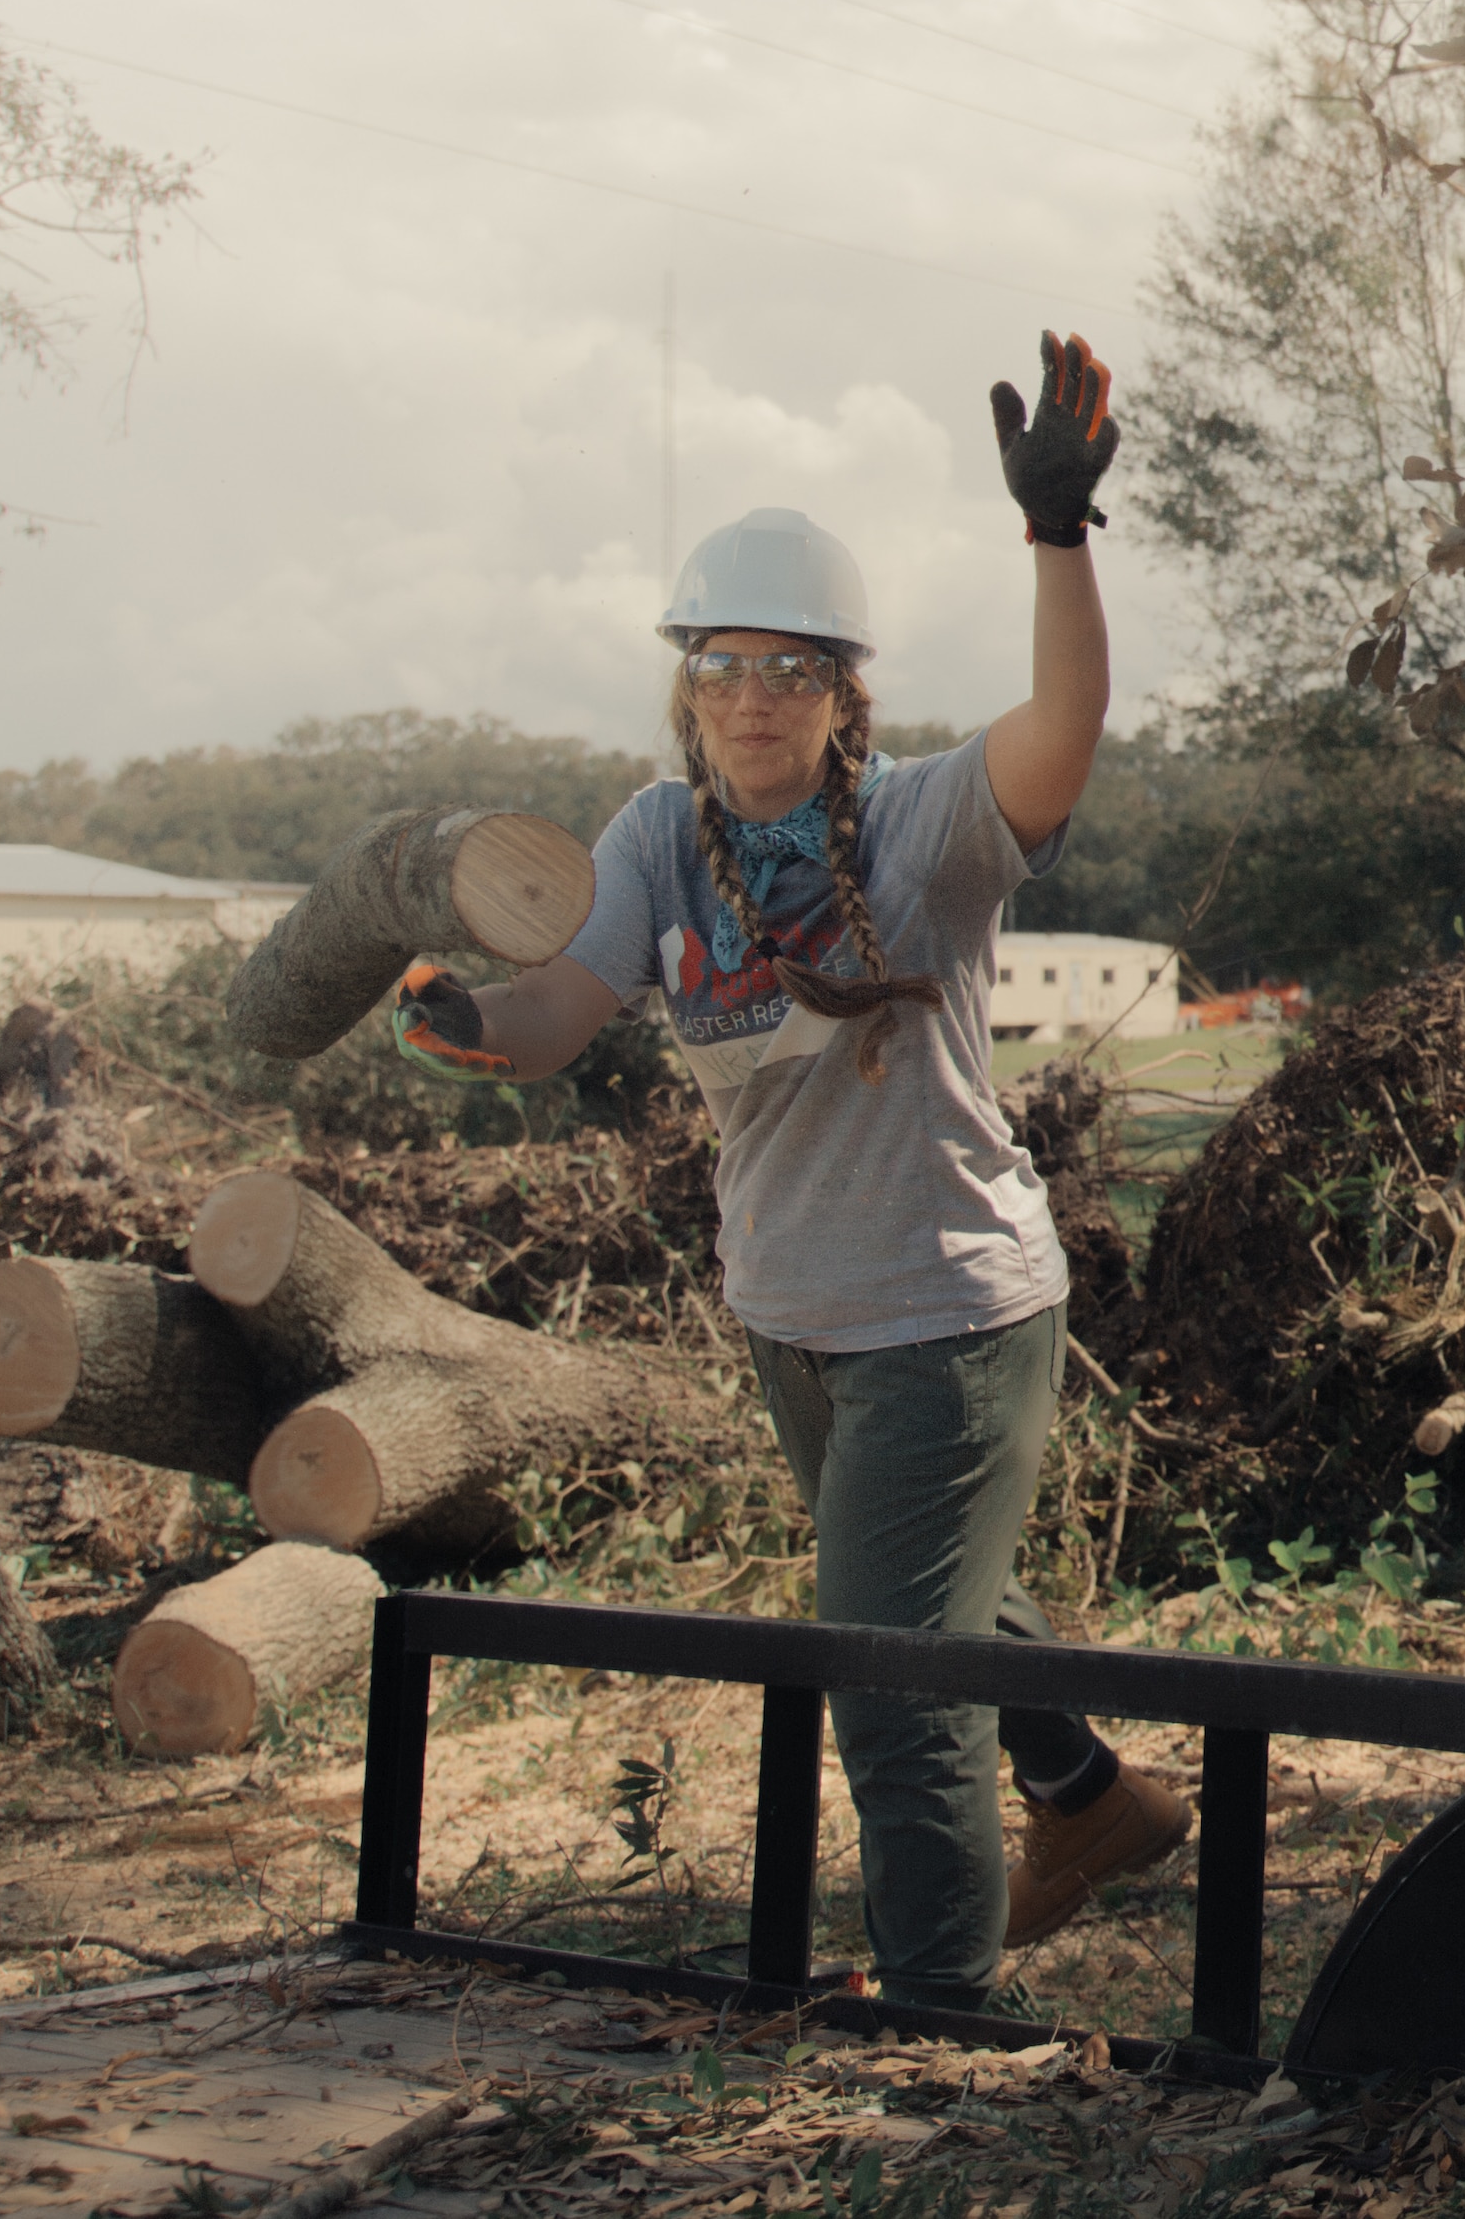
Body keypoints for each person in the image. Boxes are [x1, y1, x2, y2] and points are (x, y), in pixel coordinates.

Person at [396, 334, 1187, 2009]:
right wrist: (473, 1021)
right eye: (720, 662)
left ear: (844, 692)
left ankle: (944, 2002)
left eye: (790, 666)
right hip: (790, 1309)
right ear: (687, 685)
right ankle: (1090, 1799)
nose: (752, 693)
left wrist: (1059, 537)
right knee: (918, 1598)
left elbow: (1063, 724)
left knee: (888, 1671)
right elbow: (563, 1004)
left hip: (952, 1312)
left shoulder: (924, 829)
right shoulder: (653, 838)